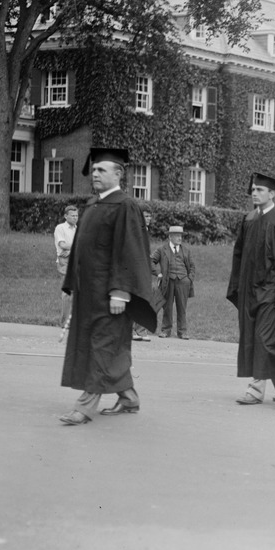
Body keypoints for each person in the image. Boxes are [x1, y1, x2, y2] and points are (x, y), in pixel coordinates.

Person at [58, 148, 158, 425]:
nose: (96, 173)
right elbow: (80, 249)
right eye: (94, 169)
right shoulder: (92, 205)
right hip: (89, 292)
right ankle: (129, 398)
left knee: (101, 347)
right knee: (106, 347)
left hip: (111, 294)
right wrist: (72, 284)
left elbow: (130, 251)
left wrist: (121, 291)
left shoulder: (125, 206)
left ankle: (85, 407)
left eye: (102, 169)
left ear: (118, 174)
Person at [227, 172, 275, 405]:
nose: (255, 192)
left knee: (265, 340)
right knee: (254, 339)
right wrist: (238, 288)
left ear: (272, 193)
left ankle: (255, 389)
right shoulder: (249, 219)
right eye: (253, 189)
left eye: (260, 190)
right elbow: (238, 255)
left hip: (273, 293)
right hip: (249, 291)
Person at [151, 225, 196, 339]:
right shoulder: (162, 249)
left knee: (182, 307)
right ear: (170, 237)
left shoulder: (186, 250)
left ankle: (183, 332)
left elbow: (192, 266)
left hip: (183, 282)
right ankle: (165, 330)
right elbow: (151, 260)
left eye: (181, 236)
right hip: (168, 281)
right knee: (167, 307)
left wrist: (189, 279)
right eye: (177, 236)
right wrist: (158, 273)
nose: (180, 238)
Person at [133, 206, 156, 342]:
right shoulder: (136, 231)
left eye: (149, 216)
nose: (148, 219)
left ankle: (140, 329)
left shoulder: (145, 231)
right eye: (145, 216)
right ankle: (136, 330)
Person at [53, 205, 78, 328]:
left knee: (77, 292)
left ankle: (72, 320)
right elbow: (62, 245)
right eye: (72, 215)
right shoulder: (60, 228)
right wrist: (76, 246)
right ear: (65, 216)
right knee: (67, 292)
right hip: (64, 261)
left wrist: (72, 248)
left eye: (76, 215)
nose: (75, 218)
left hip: (76, 260)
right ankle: (64, 322)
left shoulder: (77, 229)